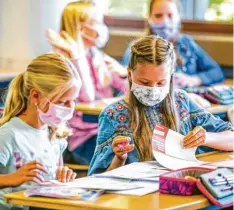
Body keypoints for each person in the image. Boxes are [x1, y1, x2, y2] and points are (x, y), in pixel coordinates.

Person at [88, 35, 234, 175]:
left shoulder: (181, 101)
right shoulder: (113, 115)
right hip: (138, 197)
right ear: (129, 73)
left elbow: (231, 139)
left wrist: (206, 138)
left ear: (171, 76)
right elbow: (96, 179)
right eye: (144, 83)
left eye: (161, 83)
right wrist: (119, 159)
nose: (153, 89)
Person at [46, 1, 128, 165]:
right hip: (79, 138)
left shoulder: (96, 55)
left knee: (134, 151)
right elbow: (87, 96)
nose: (101, 28)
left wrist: (125, 74)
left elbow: (127, 89)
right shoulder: (61, 59)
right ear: (80, 28)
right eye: (95, 22)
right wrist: (77, 57)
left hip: (102, 130)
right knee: (122, 161)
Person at [0, 53, 80, 209]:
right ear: (35, 96)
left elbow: (51, 180)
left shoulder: (53, 134)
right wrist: (11, 179)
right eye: (62, 102)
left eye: (74, 100)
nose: (70, 107)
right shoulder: (9, 135)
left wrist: (61, 176)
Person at [121, 0, 224, 87]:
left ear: (178, 17)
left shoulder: (187, 43)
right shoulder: (136, 48)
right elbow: (124, 82)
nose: (165, 21)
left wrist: (195, 79)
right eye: (158, 15)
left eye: (170, 15)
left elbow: (216, 72)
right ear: (149, 18)